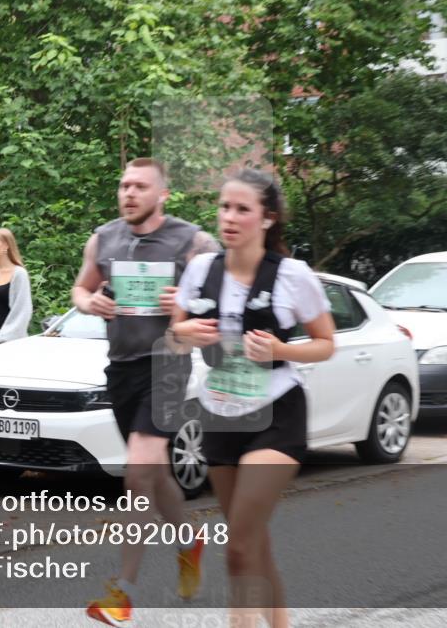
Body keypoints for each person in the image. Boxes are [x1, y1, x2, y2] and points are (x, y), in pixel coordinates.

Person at [169, 168, 335, 628]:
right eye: (225, 207)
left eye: (243, 209)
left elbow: (326, 342)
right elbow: (176, 335)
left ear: (267, 219)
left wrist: (281, 349)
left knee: (239, 543)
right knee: (254, 543)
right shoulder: (202, 269)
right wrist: (183, 330)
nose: (230, 217)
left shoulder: (292, 275)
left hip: (276, 415)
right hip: (220, 414)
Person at [75, 158, 218, 626]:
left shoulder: (192, 241)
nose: (129, 193)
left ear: (162, 194)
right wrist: (90, 301)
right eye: (123, 185)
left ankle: (123, 592)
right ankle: (188, 540)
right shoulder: (104, 237)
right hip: (121, 370)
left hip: (168, 365)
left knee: (137, 475)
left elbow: (220, 298)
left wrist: (188, 301)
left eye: (140, 186)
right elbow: (80, 289)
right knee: (156, 480)